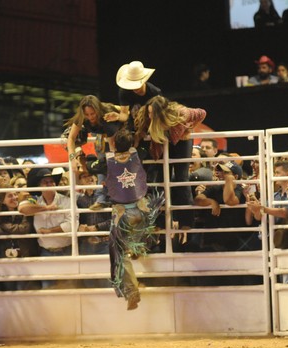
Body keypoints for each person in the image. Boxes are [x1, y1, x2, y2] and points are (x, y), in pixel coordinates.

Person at [85, 129, 163, 309]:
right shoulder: (139, 154)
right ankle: (142, 244)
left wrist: (86, 157)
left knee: (119, 254)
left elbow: (92, 166)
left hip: (122, 214)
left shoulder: (107, 160)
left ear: (113, 144)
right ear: (131, 143)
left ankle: (132, 291)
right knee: (140, 235)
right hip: (143, 209)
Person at [135, 95, 205, 230]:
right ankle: (159, 223)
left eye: (152, 113)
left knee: (181, 178)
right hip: (162, 139)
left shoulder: (181, 113)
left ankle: (187, 222)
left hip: (182, 140)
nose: (150, 116)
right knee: (159, 179)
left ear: (162, 113)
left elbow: (202, 113)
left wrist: (190, 128)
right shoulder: (146, 117)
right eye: (149, 112)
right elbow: (140, 130)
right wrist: (140, 135)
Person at [104, 61, 161, 136]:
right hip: (133, 126)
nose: (134, 88)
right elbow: (124, 114)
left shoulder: (154, 93)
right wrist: (118, 116)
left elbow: (159, 116)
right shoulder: (124, 91)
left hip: (152, 127)